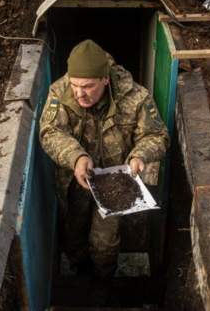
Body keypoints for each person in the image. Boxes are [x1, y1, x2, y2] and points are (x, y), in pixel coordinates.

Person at [39, 39, 169, 277]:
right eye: (75, 85)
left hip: (115, 183)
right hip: (75, 180)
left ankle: (103, 279)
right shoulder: (60, 91)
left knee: (104, 244)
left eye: (88, 86)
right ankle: (79, 270)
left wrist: (140, 155)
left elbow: (157, 135)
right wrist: (76, 157)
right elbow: (50, 131)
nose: (79, 93)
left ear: (105, 79)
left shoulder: (136, 97)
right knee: (73, 232)